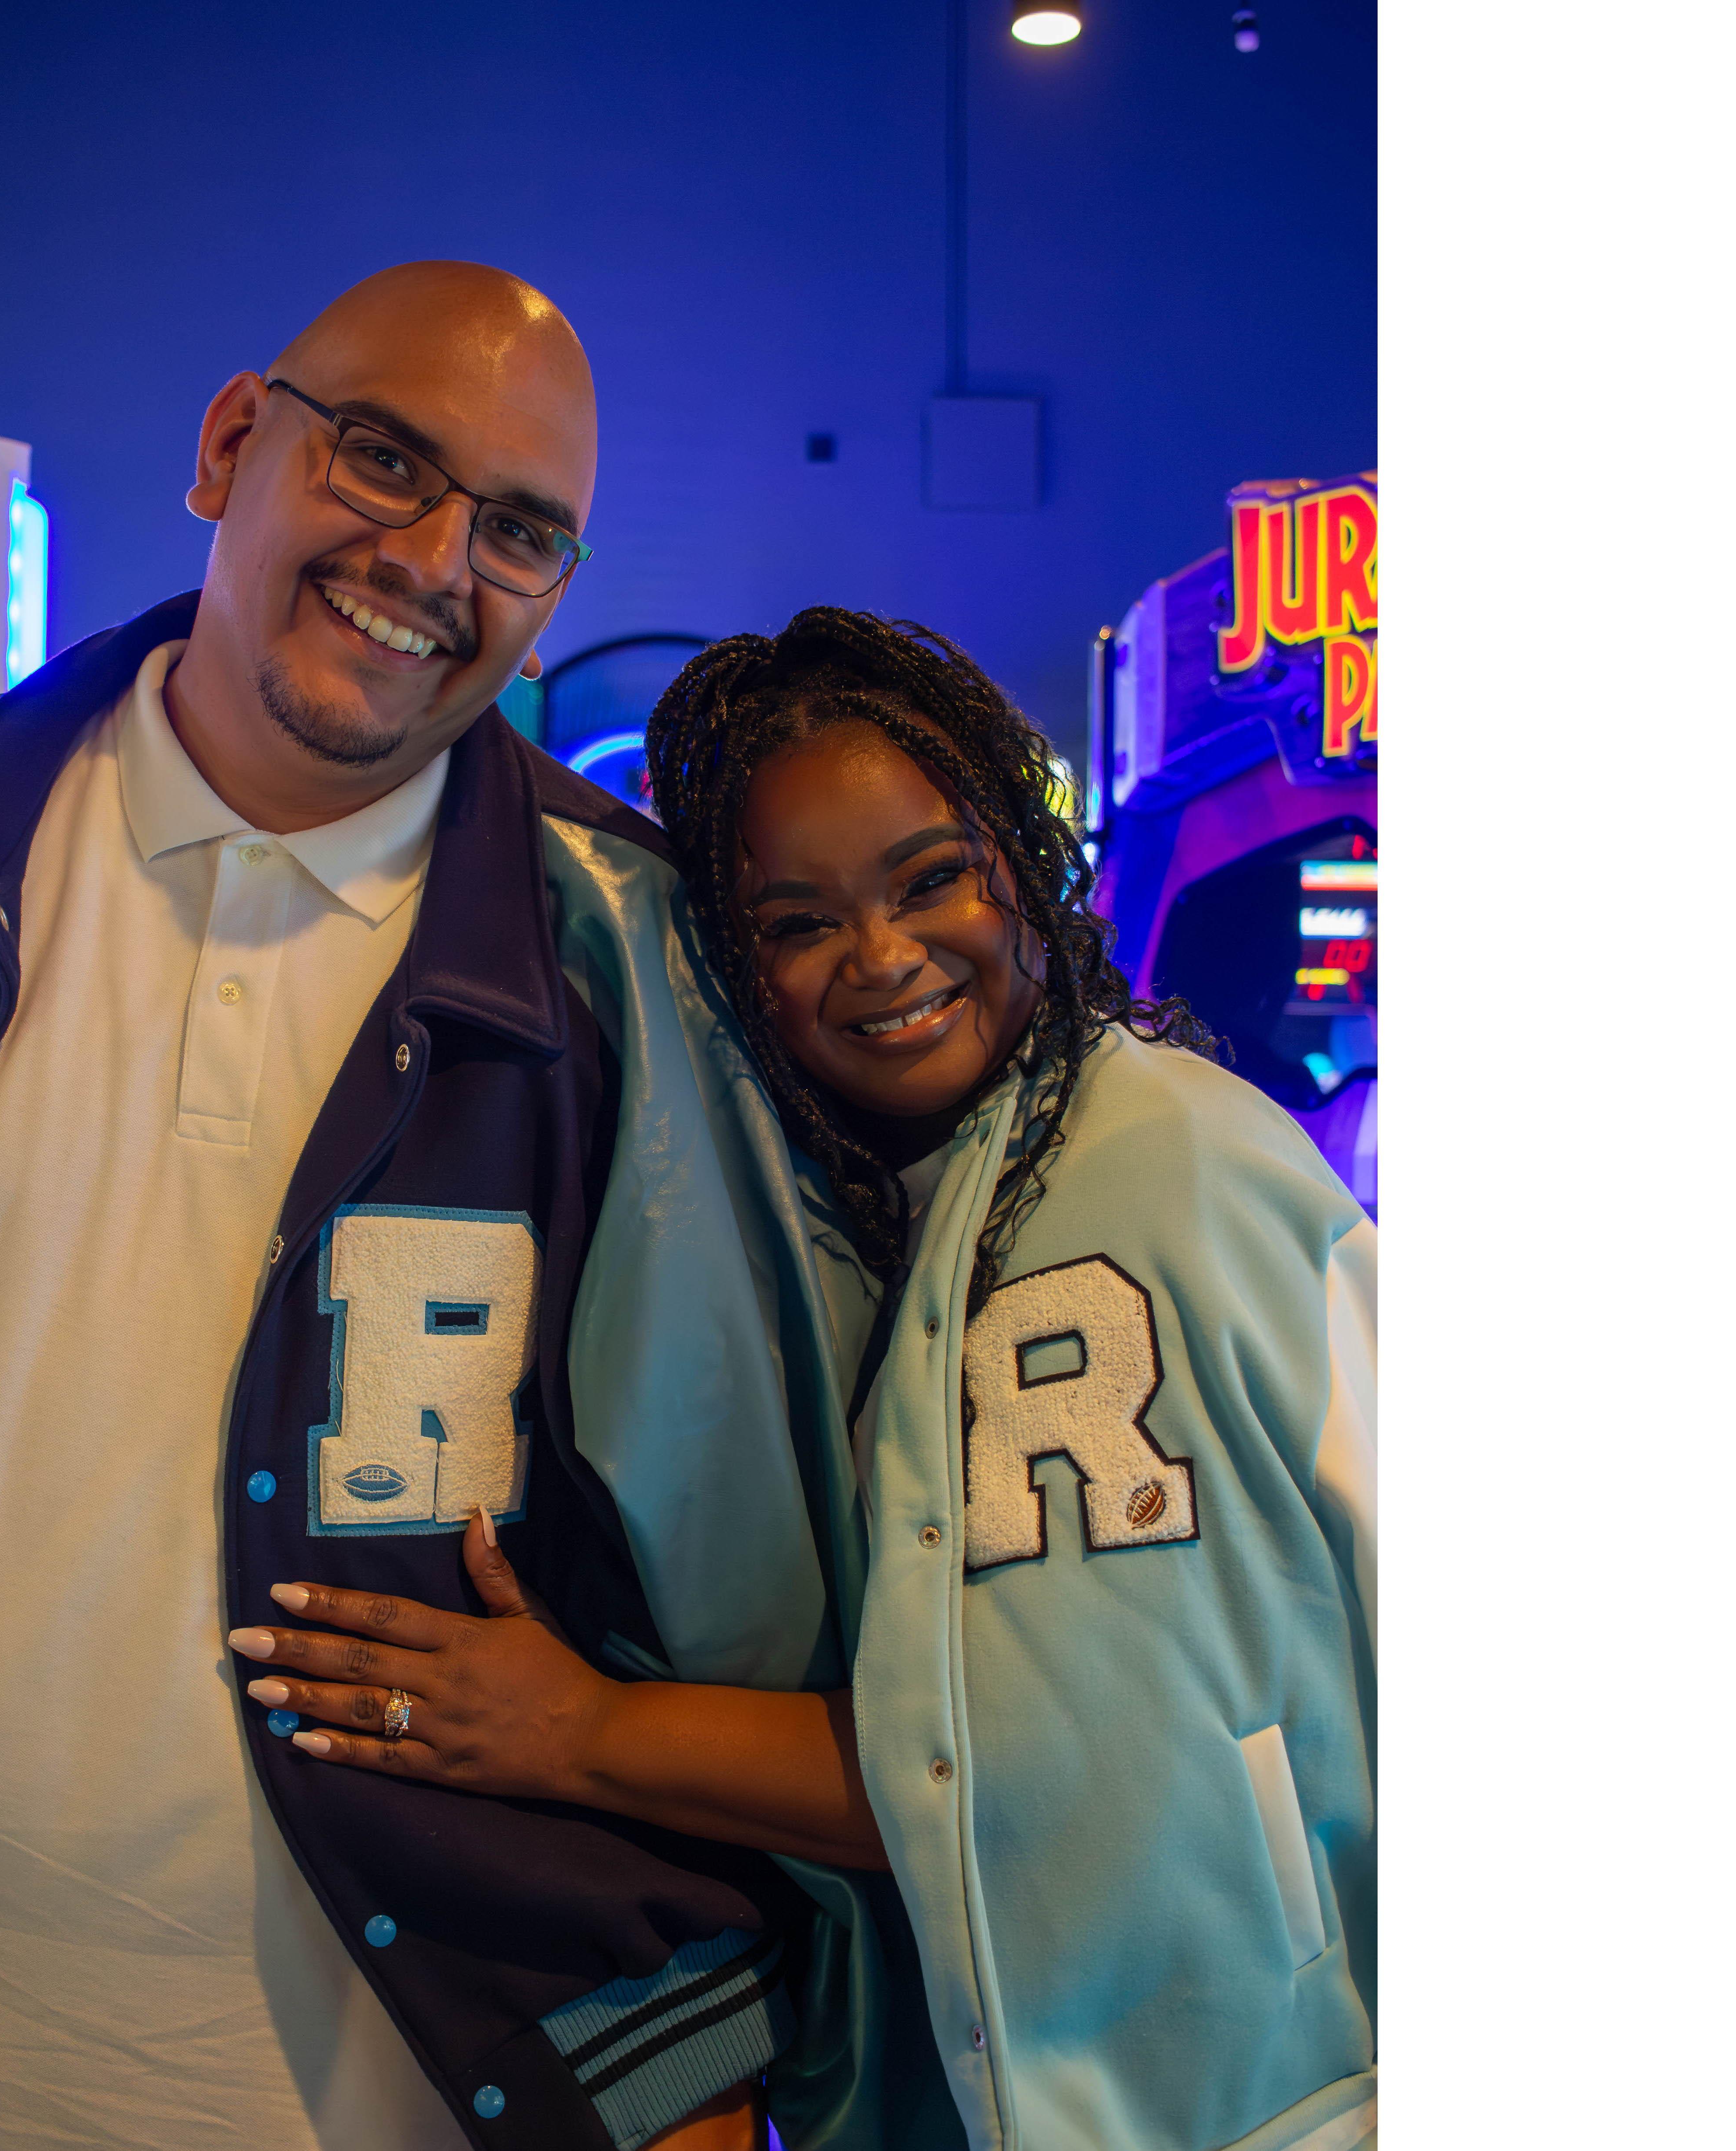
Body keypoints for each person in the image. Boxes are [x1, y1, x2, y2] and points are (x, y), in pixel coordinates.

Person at [248, 609, 1378, 2151]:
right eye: (796, 922)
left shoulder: (1166, 1161)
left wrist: (581, 1729)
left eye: (929, 878)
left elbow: (1031, 1762)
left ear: (1021, 857)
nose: (884, 957)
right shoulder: (889, 1215)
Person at [0, 263, 830, 2151]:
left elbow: (750, 1577)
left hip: (408, 2081)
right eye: (382, 459)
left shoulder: (647, 974)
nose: (431, 559)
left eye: (518, 530)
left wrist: (682, 2036)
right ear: (227, 445)